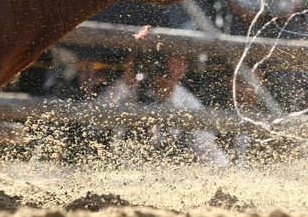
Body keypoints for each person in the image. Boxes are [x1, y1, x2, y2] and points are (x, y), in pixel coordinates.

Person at [95, 51, 241, 165]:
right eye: (165, 61)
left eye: (178, 62)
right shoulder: (128, 89)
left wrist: (226, 171)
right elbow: (94, 120)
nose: (169, 67)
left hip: (167, 172)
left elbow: (206, 144)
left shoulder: (187, 101)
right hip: (123, 171)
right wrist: (126, 83)